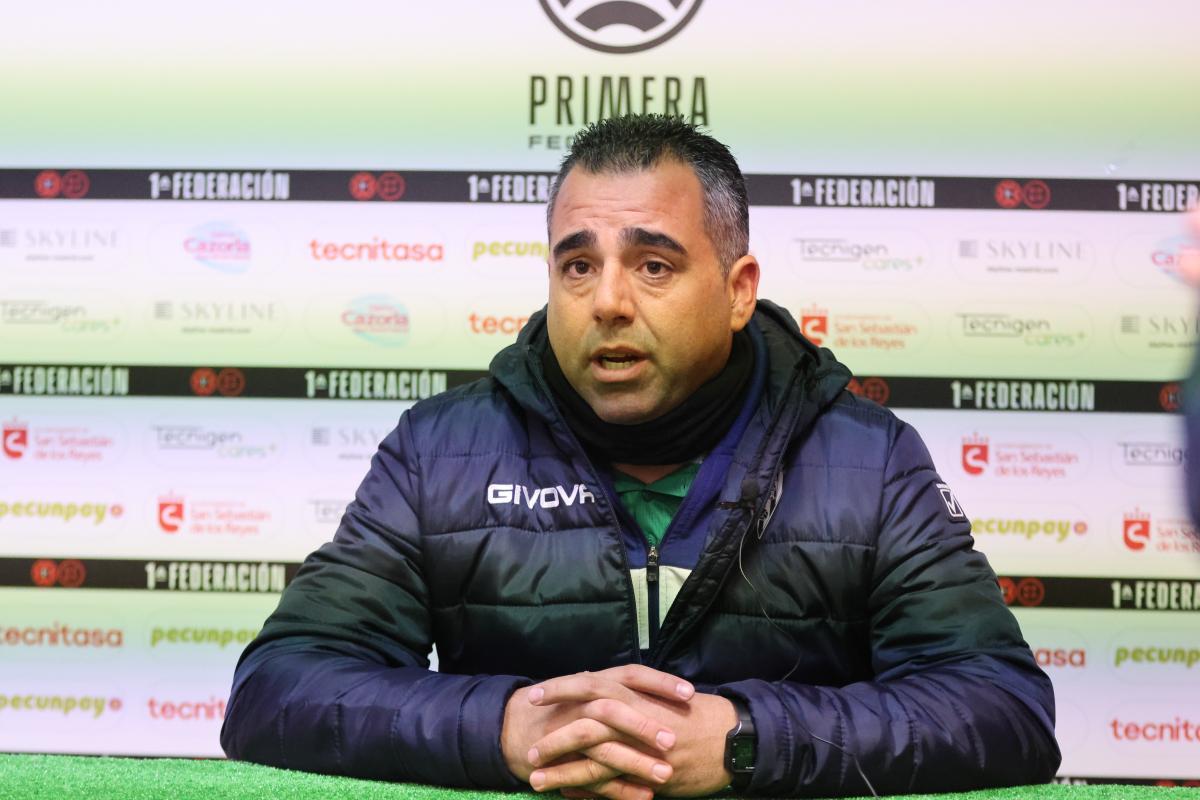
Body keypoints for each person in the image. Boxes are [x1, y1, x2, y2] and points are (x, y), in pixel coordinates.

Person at [221, 115, 1060, 798]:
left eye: (653, 265)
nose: (608, 302)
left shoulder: (867, 462)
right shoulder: (440, 451)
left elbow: (1002, 709)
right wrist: (507, 726)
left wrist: (745, 742)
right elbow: (277, 689)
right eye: (577, 265)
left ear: (737, 291)